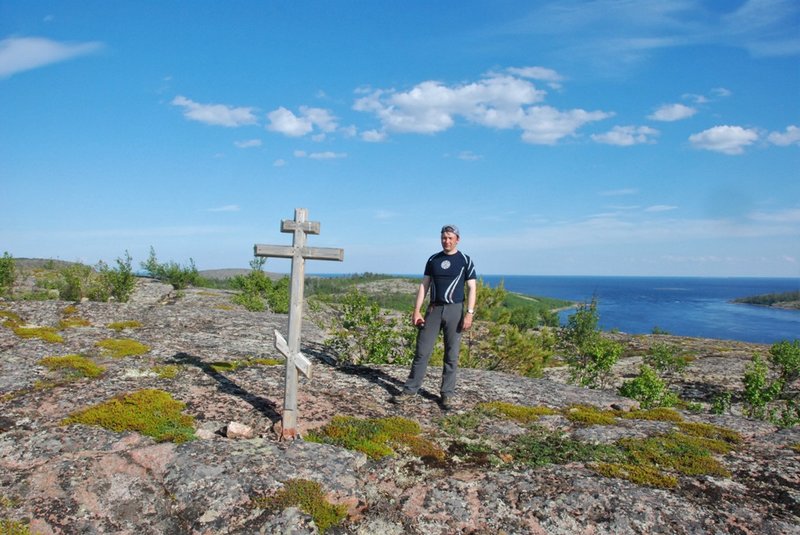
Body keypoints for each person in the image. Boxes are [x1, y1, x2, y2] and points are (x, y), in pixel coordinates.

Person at [392, 224, 477, 410]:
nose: (446, 241)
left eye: (450, 238)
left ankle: (447, 394)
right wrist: (416, 310)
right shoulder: (433, 259)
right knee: (422, 351)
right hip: (434, 310)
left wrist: (469, 314)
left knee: (451, 354)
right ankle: (410, 390)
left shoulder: (465, 260)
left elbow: (472, 288)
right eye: (444, 238)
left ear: (457, 240)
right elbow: (424, 285)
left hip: (455, 310)